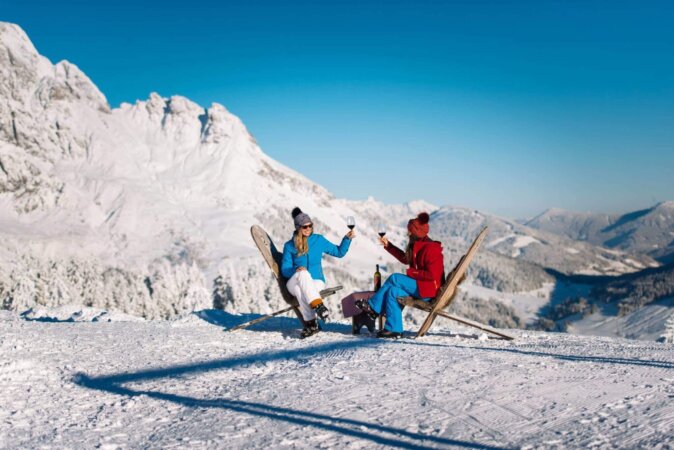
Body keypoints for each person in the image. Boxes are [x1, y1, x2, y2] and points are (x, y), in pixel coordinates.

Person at [357, 212, 444, 338]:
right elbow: (406, 259)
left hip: (429, 291)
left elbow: (433, 276)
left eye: (410, 231)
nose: (408, 233)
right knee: (394, 291)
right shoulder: (419, 244)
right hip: (421, 287)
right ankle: (394, 329)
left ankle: (372, 308)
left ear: (417, 232)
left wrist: (411, 272)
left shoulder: (431, 249)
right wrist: (389, 246)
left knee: (395, 278)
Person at [281, 207, 355, 338]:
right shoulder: (289, 245)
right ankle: (318, 306)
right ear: (298, 228)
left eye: (310, 226)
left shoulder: (318, 240)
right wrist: (295, 270)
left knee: (300, 290)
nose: (308, 229)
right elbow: (285, 269)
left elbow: (339, 252)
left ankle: (311, 324)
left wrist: (347, 239)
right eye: (305, 227)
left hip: (316, 281)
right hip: (293, 280)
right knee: (302, 275)